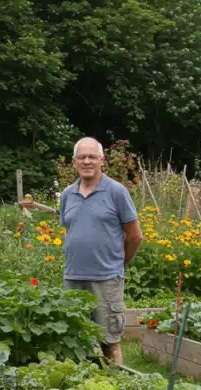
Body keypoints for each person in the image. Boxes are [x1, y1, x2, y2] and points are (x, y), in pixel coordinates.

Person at [21, 137, 143, 366]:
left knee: (109, 341)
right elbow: (71, 228)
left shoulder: (116, 192)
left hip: (106, 277)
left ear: (102, 161)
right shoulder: (68, 194)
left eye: (92, 157)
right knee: (75, 338)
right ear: (74, 161)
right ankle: (84, 388)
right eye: (82, 157)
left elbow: (135, 235)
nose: (87, 161)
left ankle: (117, 386)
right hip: (73, 277)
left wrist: (121, 261)